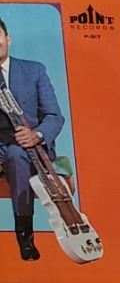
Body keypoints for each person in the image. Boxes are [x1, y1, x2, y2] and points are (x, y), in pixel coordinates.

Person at [0, 16, 64, 261]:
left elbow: (54, 116)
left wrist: (37, 135)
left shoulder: (34, 70)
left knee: (17, 155)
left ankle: (24, 236)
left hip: (28, 146)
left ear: (8, 39)